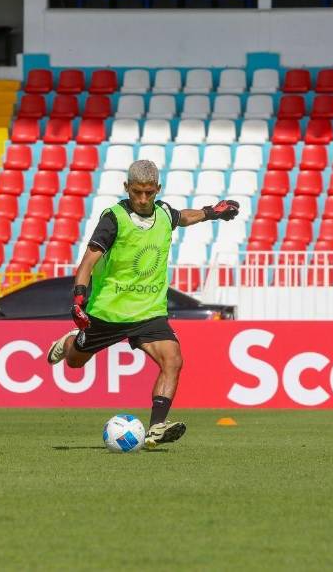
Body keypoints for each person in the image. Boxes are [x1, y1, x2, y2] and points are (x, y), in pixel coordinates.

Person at [46, 160, 240, 449]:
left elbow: (184, 217)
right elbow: (88, 261)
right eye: (137, 192)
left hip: (149, 312)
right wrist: (78, 299)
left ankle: (156, 427)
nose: (142, 199)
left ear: (158, 189)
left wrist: (212, 212)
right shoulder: (113, 218)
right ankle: (70, 342)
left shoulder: (164, 213)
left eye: (149, 192)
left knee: (173, 360)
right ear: (127, 187)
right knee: (75, 362)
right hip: (108, 311)